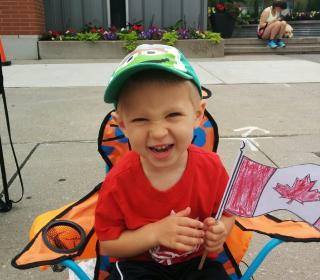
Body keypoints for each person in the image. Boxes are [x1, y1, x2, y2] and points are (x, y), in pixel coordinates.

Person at [95, 44, 235, 280]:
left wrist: (220, 232)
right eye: (141, 119)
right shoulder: (119, 181)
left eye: (173, 115)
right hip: (140, 265)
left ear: (198, 114)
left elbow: (227, 213)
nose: (158, 132)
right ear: (122, 125)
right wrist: (154, 234)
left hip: (196, 264)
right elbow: (107, 245)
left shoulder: (211, 168)